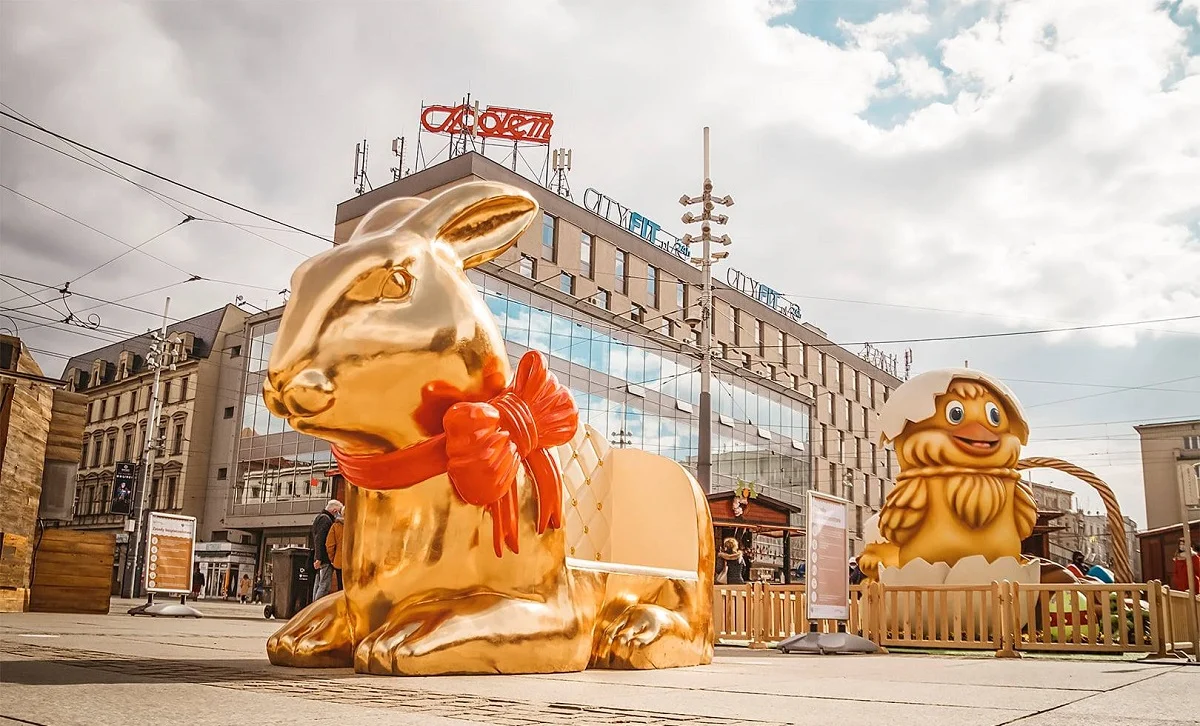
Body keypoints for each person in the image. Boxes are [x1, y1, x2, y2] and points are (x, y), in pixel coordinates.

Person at [311, 499, 343, 601]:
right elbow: (320, 539)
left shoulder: (319, 518)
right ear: (334, 510)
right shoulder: (326, 520)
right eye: (338, 511)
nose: (338, 514)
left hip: (320, 557)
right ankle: (316, 609)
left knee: (319, 583)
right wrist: (320, 558)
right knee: (324, 585)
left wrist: (317, 557)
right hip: (325, 558)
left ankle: (313, 607)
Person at [326, 509, 345, 592]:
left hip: (340, 561)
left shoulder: (336, 526)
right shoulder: (358, 526)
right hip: (355, 563)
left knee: (341, 589)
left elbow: (329, 545)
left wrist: (332, 559)